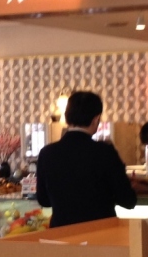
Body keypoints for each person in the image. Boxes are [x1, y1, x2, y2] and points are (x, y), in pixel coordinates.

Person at [35, 90, 137, 228]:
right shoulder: (104, 152)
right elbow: (128, 201)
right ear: (96, 119)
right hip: (101, 233)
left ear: (67, 116)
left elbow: (44, 200)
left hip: (61, 233)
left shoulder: (46, 153)